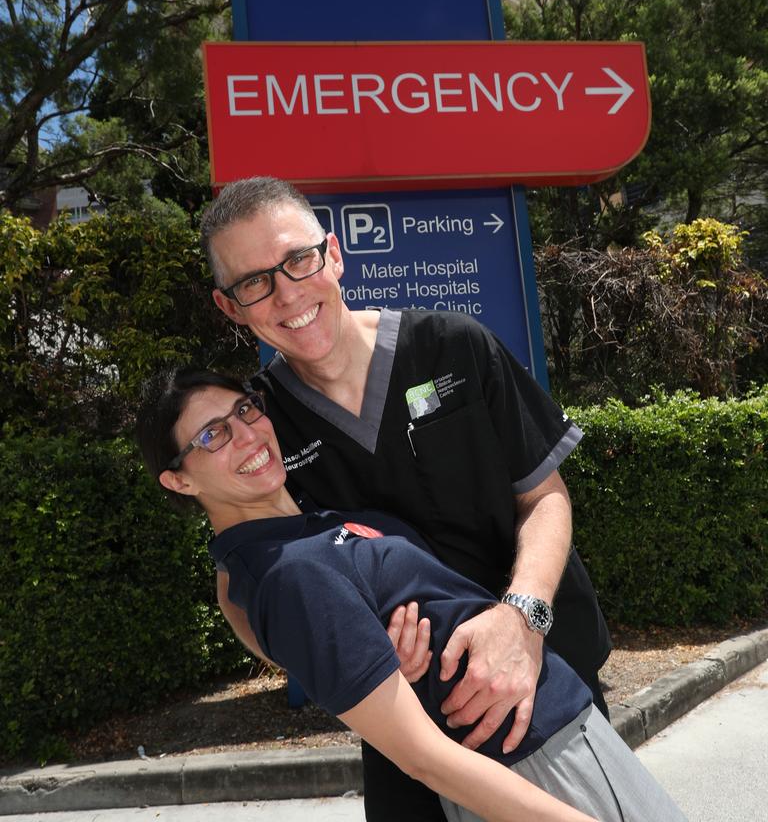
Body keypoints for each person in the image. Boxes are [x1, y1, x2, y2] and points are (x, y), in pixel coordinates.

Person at [199, 177, 612, 821]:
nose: (286, 293)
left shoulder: (452, 345)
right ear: (231, 307)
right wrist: (341, 652)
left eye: (298, 261)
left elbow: (544, 496)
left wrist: (520, 621)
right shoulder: (260, 428)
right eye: (254, 282)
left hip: (541, 681)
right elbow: (241, 586)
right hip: (412, 722)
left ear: (333, 255)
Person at [136, 366, 687, 822]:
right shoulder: (287, 573)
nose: (248, 434)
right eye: (212, 435)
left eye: (244, 410)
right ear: (179, 480)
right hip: (529, 763)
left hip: (554, 735)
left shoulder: (309, 526)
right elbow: (423, 758)